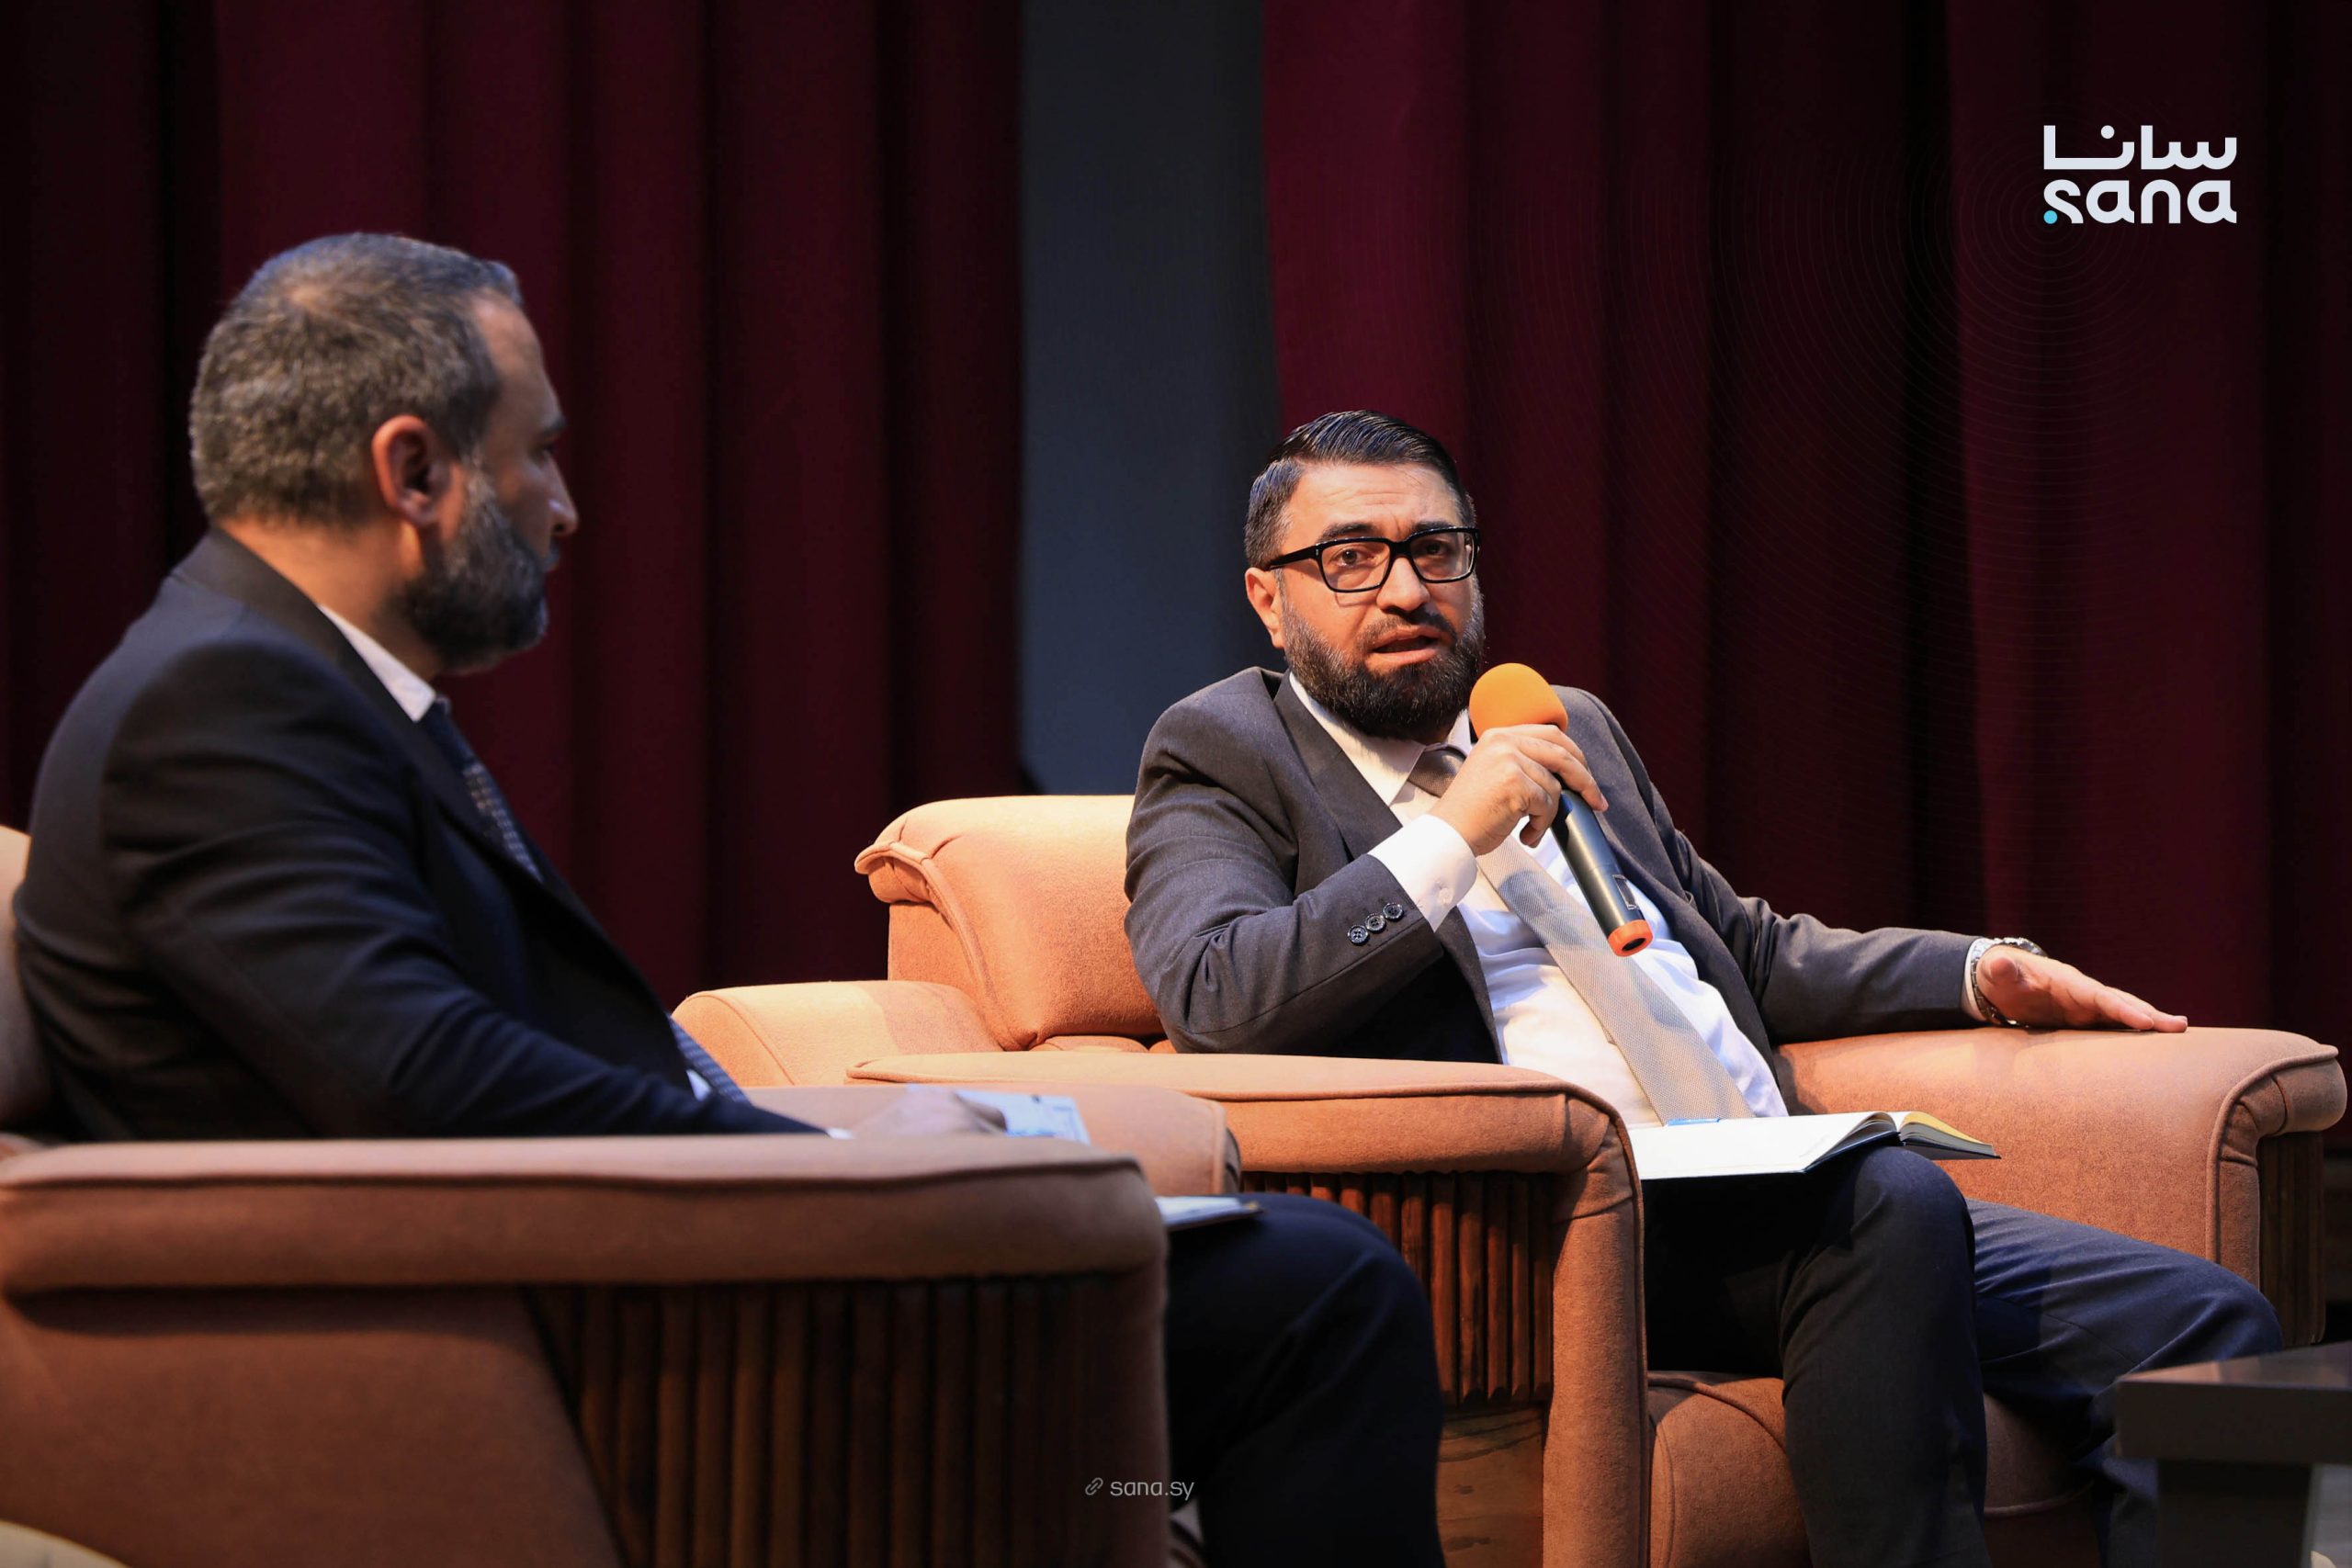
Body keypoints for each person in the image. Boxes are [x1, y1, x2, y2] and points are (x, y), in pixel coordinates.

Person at [12, 238, 1444, 1567]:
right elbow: (427, 1079)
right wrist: (817, 1166)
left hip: (644, 1270)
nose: (564, 508)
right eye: (538, 454)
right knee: (1321, 1293)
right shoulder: (216, 707)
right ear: (413, 470)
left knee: (1252, 1303)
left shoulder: (302, 687)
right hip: (616, 1336)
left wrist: (850, 1140)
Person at [1123, 408, 2283, 1568]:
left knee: (2207, 1329)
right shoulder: (1225, 749)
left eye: (1436, 549)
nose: (1405, 589)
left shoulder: (1559, 723)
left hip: (1779, 1186)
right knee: (1890, 1200)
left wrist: (1980, 972)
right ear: (1269, 598)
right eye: (1349, 559)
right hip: (1571, 1227)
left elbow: (1744, 951)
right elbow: (1217, 994)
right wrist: (1449, 836)